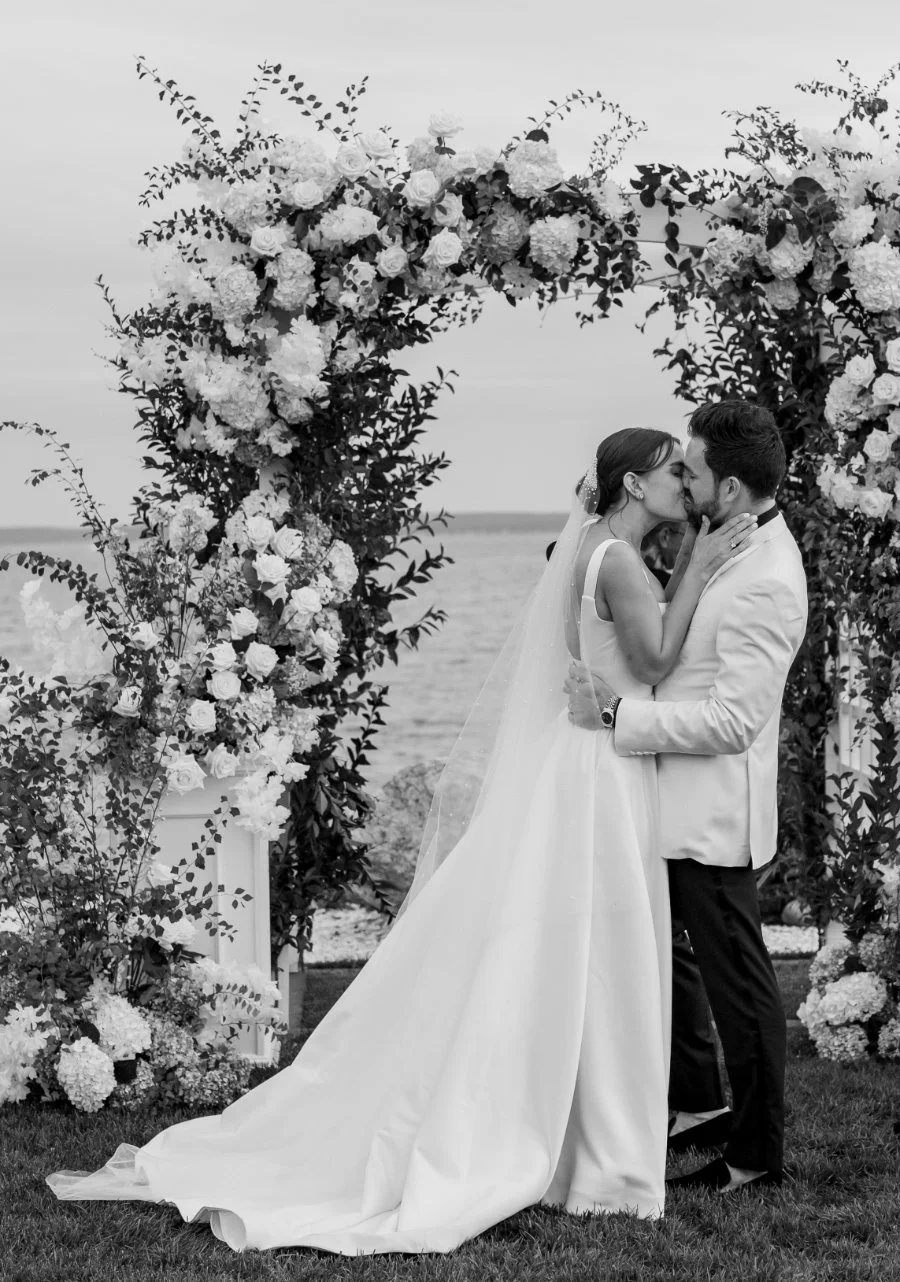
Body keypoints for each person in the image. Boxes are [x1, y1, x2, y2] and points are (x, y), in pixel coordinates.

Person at [47, 427, 753, 1255]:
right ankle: (592, 1152)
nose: (686, 486)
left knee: (578, 948)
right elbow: (661, 664)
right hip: (601, 768)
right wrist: (703, 569)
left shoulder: (587, 548)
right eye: (674, 471)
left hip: (585, 759)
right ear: (633, 484)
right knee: (601, 949)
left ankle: (580, 1134)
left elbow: (599, 659)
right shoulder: (625, 563)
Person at [568, 399, 808, 1193]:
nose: (685, 478)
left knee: (740, 984)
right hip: (668, 802)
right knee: (674, 962)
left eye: (694, 469)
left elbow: (735, 720)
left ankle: (753, 1158)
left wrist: (617, 715)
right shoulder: (728, 544)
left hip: (712, 815)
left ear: (731, 488)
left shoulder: (766, 580)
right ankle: (699, 1106)